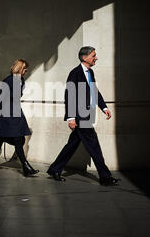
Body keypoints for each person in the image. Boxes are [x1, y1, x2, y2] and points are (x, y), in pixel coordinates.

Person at [46, 46, 120, 186]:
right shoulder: (75, 73)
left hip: (86, 115)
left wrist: (104, 107)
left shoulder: (90, 72)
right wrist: (71, 117)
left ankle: (55, 169)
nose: (96, 58)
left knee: (72, 145)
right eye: (93, 55)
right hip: (80, 117)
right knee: (94, 146)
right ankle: (105, 177)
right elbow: (70, 95)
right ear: (84, 58)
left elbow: (94, 91)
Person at [0, 59, 39, 176]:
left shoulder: (21, 81)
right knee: (12, 139)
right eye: (24, 69)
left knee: (15, 139)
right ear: (19, 69)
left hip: (16, 113)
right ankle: (25, 166)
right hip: (7, 115)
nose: (26, 71)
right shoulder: (8, 81)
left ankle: (23, 166)